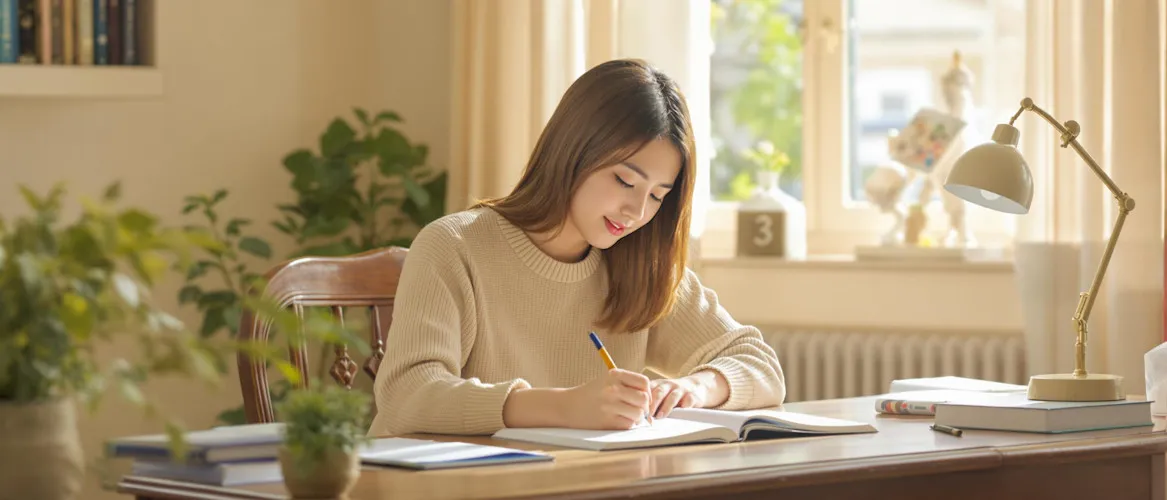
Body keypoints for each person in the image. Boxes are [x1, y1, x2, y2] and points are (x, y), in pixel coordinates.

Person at [368, 58, 785, 437]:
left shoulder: (640, 267)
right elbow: (407, 395)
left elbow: (759, 364)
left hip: (565, 480)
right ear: (573, 151)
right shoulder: (454, 247)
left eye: (657, 195)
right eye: (624, 181)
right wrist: (565, 407)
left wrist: (694, 388)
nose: (637, 211)